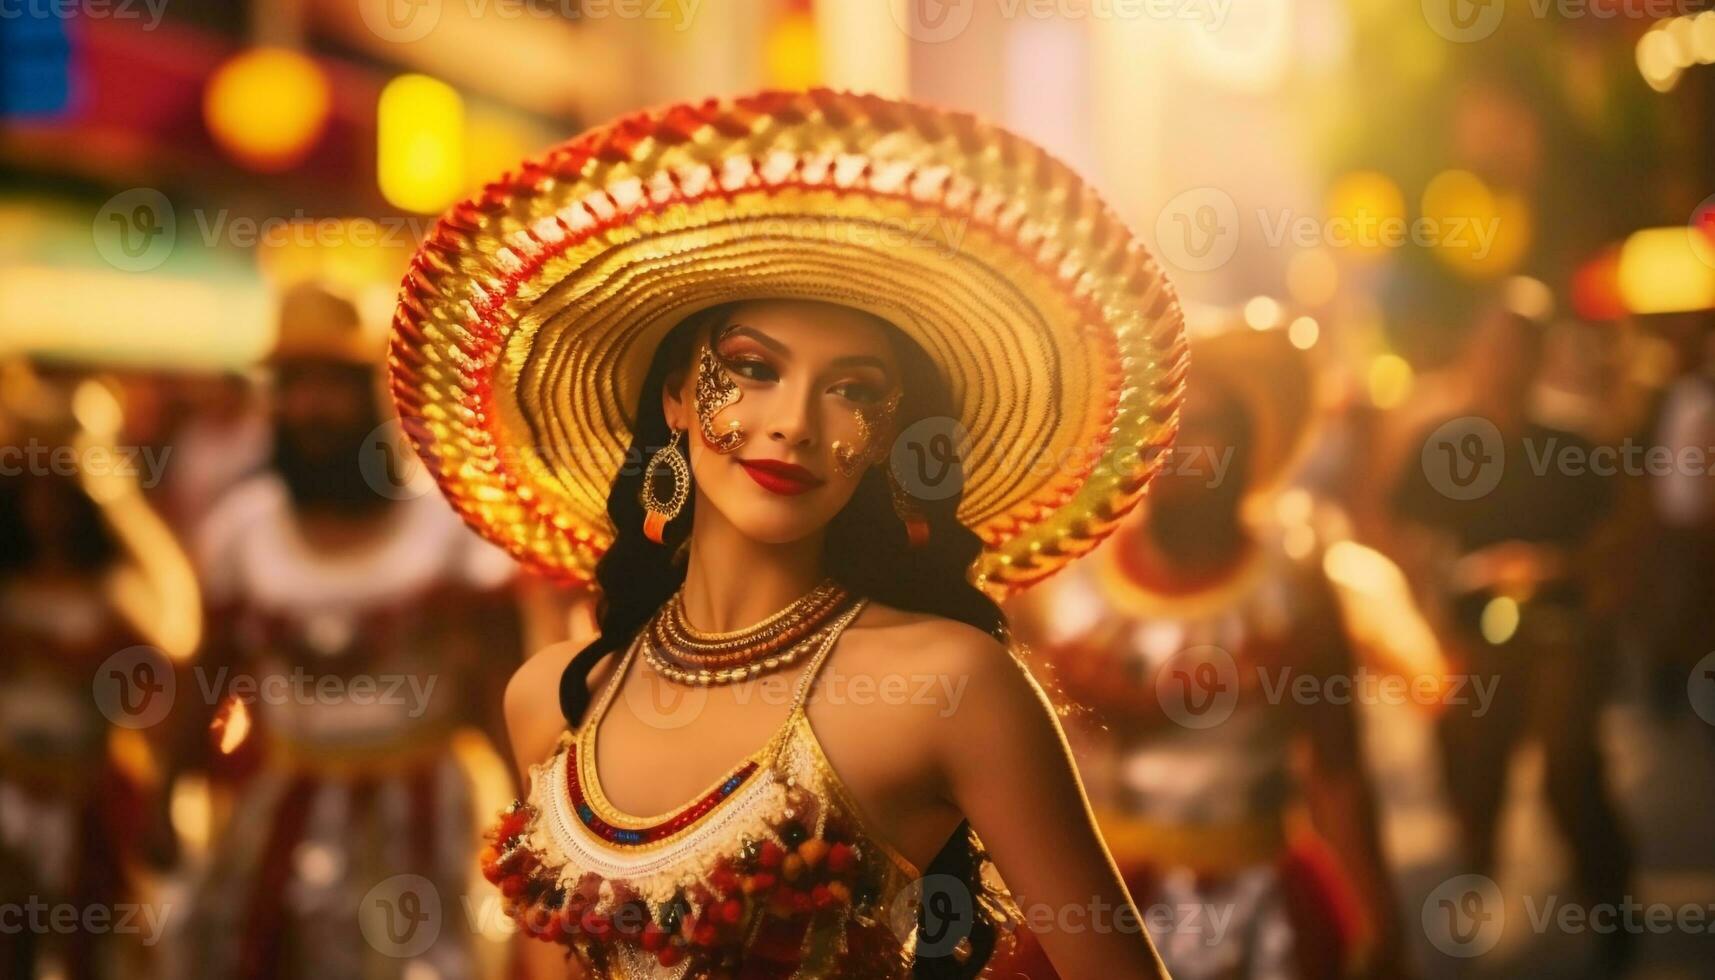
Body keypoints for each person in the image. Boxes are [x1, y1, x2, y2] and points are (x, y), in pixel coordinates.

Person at [389, 89, 1189, 978]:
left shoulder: (951, 686)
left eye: (853, 390)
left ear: (887, 438)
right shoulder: (553, 701)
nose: (796, 423)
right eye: (752, 369)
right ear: (677, 396)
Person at [998, 326, 1410, 980]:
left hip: (1263, 915)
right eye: (1167, 428)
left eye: (1213, 425)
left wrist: (1382, 924)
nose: (1186, 449)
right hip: (1098, 906)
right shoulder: (1063, 579)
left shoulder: (1294, 582)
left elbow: (1338, 768)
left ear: (1250, 442)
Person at [176, 281, 522, 979]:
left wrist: (531, 814)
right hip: (284, 805)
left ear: (375, 396)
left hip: (424, 815)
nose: (310, 408)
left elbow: (500, 686)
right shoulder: (240, 533)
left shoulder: (451, 534)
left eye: (331, 386)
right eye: (293, 385)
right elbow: (205, 674)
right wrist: (163, 795)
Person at [1388, 308, 1633, 972]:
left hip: (1560, 629)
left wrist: (1560, 567)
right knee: (1471, 767)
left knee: (1568, 768)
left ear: (1536, 358)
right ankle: (1473, 883)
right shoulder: (1439, 441)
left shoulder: (1572, 442)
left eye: (1516, 350)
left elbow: (1615, 534)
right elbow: (1402, 531)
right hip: (1472, 633)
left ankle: (1608, 905)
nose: (1501, 364)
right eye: (1490, 349)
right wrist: (1435, 600)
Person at [0, 366, 192, 980]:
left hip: (85, 797)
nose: (44, 511)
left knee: (90, 942)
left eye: (59, 493)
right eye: (31, 492)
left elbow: (157, 692)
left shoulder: (117, 594)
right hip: (7, 788)